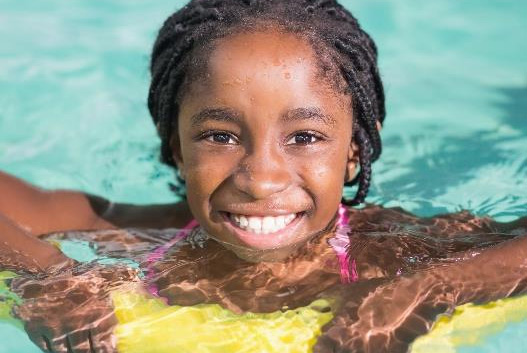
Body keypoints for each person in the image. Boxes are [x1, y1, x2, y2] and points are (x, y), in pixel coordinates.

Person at [1, 0, 526, 352]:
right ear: (176, 149)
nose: (261, 178)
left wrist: (435, 286)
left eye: (304, 137)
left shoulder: (396, 253)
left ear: (354, 153)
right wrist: (45, 273)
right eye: (220, 136)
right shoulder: (138, 239)